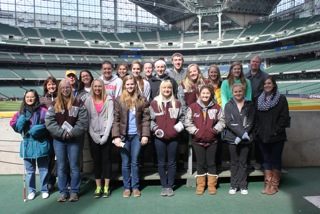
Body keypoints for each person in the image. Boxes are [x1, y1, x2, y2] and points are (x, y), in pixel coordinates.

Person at [45, 79, 88, 202]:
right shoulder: (54, 104)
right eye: (63, 87)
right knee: (61, 166)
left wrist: (71, 133)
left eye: (67, 87)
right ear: (59, 89)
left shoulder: (79, 103)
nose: (65, 89)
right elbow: (49, 122)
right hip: (59, 140)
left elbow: (83, 122)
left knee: (74, 166)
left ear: (71, 88)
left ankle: (74, 191)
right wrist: (62, 133)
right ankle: (63, 192)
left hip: (74, 140)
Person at [112, 75, 150, 198]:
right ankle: (127, 187)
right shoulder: (118, 100)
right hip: (123, 136)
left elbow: (146, 119)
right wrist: (116, 136)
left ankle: (135, 187)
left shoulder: (142, 99)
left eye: (132, 84)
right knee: (125, 162)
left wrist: (145, 135)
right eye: (127, 84)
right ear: (124, 85)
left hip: (137, 136)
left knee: (135, 162)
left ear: (135, 85)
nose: (130, 86)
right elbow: (116, 119)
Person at [10, 89, 50, 200]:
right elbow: (15, 125)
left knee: (43, 169)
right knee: (30, 171)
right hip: (27, 144)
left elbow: (49, 123)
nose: (29, 99)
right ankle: (31, 190)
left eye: (32, 97)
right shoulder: (20, 112)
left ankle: (44, 189)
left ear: (36, 98)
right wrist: (21, 120)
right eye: (27, 97)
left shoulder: (43, 110)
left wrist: (40, 128)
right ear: (24, 99)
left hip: (40, 143)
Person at [184, 85, 225, 195]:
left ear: (211, 94)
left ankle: (211, 185)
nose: (205, 95)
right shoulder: (193, 107)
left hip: (212, 141)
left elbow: (222, 121)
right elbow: (187, 122)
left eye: (207, 93)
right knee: (200, 163)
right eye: (203, 93)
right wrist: (196, 131)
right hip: (198, 141)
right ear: (199, 95)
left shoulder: (217, 107)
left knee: (211, 163)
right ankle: (201, 185)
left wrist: (215, 130)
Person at [255, 76, 290, 195]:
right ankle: (267, 183)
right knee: (266, 160)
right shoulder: (258, 100)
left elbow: (284, 118)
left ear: (274, 85)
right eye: (265, 84)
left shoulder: (281, 99)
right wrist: (258, 131)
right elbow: (256, 118)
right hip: (262, 136)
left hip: (277, 136)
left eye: (269, 83)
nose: (267, 85)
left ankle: (274, 185)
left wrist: (275, 131)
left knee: (275, 160)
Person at [149, 80, 184, 197]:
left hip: (173, 138)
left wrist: (176, 129)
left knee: (172, 162)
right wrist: (155, 129)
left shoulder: (177, 103)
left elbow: (183, 118)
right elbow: (150, 120)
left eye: (169, 88)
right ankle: (164, 185)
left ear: (172, 89)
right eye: (164, 88)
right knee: (161, 162)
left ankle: (170, 186)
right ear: (161, 89)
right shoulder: (154, 103)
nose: (167, 90)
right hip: (159, 139)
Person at [223, 83, 255, 195]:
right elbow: (229, 122)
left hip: (246, 139)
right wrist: (241, 134)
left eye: (240, 91)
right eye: (235, 91)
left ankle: (243, 185)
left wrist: (243, 136)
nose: (238, 93)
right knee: (234, 162)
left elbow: (251, 122)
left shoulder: (250, 105)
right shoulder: (228, 105)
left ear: (244, 92)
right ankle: (233, 185)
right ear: (232, 93)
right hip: (232, 139)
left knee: (243, 162)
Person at [84, 79, 114, 198]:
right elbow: (87, 118)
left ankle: (106, 186)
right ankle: (98, 186)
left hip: (106, 134)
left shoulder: (109, 99)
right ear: (92, 87)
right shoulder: (88, 100)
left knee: (107, 161)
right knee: (96, 161)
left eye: (99, 86)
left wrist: (106, 135)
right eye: (95, 86)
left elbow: (111, 117)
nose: (97, 88)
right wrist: (93, 134)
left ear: (103, 87)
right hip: (93, 134)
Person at [40, 76, 59, 192]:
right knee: (50, 158)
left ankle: (64, 180)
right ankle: (50, 182)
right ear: (46, 86)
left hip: (60, 132)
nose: (51, 86)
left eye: (53, 84)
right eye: (49, 84)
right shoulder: (42, 100)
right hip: (47, 134)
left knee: (62, 158)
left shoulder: (61, 97)